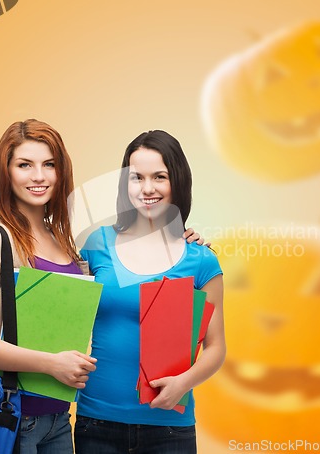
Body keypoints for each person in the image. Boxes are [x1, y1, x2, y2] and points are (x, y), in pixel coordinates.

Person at [0, 120, 204, 454]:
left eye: (49, 165)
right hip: (13, 416)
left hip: (60, 420)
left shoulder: (65, 241)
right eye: (24, 165)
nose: (39, 176)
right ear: (6, 173)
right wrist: (50, 364)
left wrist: (182, 240)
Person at [74, 130, 226, 454]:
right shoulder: (96, 246)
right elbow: (64, 313)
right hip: (95, 424)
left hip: (169, 429)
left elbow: (216, 348)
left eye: (160, 177)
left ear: (178, 182)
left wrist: (183, 384)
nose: (147, 188)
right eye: (136, 177)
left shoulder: (200, 259)